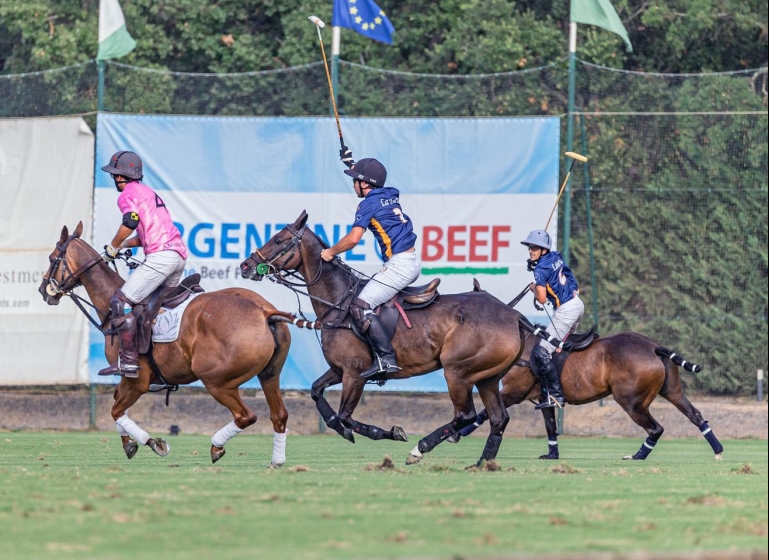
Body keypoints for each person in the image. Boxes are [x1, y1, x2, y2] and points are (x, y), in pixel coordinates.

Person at [321, 156, 421, 379]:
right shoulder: (389, 195)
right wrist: (353, 165)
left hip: (399, 266)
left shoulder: (367, 204)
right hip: (411, 260)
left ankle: (386, 359)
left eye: (356, 180)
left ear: (364, 184)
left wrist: (330, 252)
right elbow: (372, 179)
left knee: (360, 305)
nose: (353, 184)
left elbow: (353, 239)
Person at [97, 151, 188, 377]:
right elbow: (144, 232)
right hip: (178, 257)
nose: (114, 180)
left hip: (161, 257)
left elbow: (130, 221)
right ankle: (158, 365)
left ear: (121, 176)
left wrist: (113, 247)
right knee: (152, 310)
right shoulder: (148, 193)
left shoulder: (128, 193)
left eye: (115, 175)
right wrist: (127, 244)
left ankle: (128, 362)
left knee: (119, 302)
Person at [521, 229, 584, 408]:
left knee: (542, 351)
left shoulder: (540, 269)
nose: (530, 251)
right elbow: (565, 274)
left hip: (565, 311)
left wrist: (534, 286)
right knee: (560, 349)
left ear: (543, 250)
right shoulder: (555, 256)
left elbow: (541, 299)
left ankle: (556, 395)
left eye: (534, 248)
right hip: (577, 304)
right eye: (530, 247)